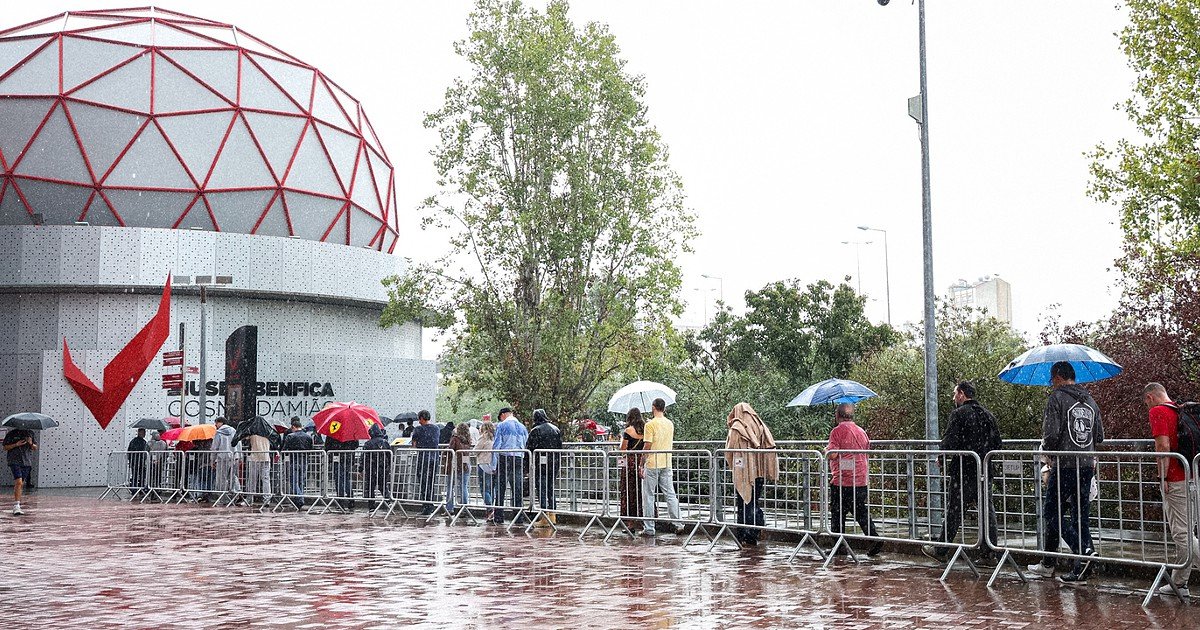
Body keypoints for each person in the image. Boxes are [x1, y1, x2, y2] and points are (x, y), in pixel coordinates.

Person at [1027, 361, 1104, 586]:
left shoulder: (1057, 398)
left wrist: (1048, 453)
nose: (1051, 383)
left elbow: (1050, 434)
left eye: (1052, 379)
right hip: (1086, 464)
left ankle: (1083, 550)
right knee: (1080, 516)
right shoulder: (1090, 400)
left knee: (1052, 511)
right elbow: (1098, 436)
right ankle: (1082, 570)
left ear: (1059, 376)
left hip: (1065, 463)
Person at [923, 381, 1003, 562]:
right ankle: (990, 554)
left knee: (954, 511)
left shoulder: (959, 414)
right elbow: (998, 444)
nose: (953, 398)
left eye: (954, 394)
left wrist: (942, 457)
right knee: (986, 513)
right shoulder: (988, 415)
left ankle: (941, 550)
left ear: (961, 394)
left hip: (963, 471)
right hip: (984, 470)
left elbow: (949, 440)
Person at [1143, 382, 1199, 597]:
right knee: (1188, 532)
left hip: (1176, 479)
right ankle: (1179, 584)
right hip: (1193, 476)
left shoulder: (1158, 411)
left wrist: (1162, 476)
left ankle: (1180, 583)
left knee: (1182, 535)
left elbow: (1163, 446)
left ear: (1150, 397)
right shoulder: (1180, 410)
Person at [826, 403, 883, 556]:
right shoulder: (861, 431)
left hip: (843, 480)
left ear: (838, 415)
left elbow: (832, 454)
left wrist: (826, 450)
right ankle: (874, 538)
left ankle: (840, 545)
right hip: (860, 479)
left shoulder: (837, 431)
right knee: (860, 511)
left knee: (838, 514)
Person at [724, 402, 778, 546]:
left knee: (743, 502)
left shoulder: (737, 427)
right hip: (758, 470)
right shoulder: (760, 425)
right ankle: (754, 530)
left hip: (743, 471)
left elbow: (729, 450)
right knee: (754, 500)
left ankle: (744, 533)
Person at [640, 398, 684, 536]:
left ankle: (649, 528)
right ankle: (678, 523)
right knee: (670, 494)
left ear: (653, 407)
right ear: (664, 408)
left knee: (648, 496)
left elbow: (647, 445)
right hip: (666, 462)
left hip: (652, 463)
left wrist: (641, 463)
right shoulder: (670, 424)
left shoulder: (650, 425)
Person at [491, 407, 529, 524]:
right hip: (518, 458)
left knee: (500, 488)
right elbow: (525, 443)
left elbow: (497, 445)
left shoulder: (502, 426)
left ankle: (498, 516)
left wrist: (493, 465)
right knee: (517, 489)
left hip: (504, 457)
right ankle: (518, 516)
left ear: (503, 415)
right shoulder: (522, 427)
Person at [527, 409, 563, 524]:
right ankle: (553, 515)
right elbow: (560, 446)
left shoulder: (536, 430)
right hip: (554, 463)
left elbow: (529, 448)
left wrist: (527, 466)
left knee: (541, 489)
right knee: (550, 488)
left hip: (540, 464)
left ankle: (544, 517)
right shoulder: (555, 429)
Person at [619, 408, 647, 529]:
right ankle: (644, 519)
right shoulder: (646, 429)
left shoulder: (628, 430)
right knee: (642, 491)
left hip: (630, 463)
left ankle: (630, 523)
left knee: (629, 491)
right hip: (642, 461)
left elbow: (623, 449)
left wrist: (621, 441)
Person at [410, 410, 441, 515]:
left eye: (419, 419)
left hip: (423, 458)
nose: (419, 421)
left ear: (422, 418)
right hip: (435, 458)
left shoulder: (418, 429)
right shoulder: (436, 428)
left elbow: (414, 444)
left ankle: (426, 505)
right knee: (431, 481)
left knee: (423, 482)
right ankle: (430, 503)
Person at [281, 418, 314, 508]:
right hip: (304, 460)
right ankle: (300, 499)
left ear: (293, 427)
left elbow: (284, 449)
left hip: (293, 460)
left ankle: (299, 498)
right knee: (301, 481)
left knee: (293, 481)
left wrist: (283, 457)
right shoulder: (308, 437)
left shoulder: (290, 436)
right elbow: (311, 448)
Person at [3, 427, 37, 515]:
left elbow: (35, 448)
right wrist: (16, 444)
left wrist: (31, 443)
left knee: (21, 483)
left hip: (26, 462)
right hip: (14, 461)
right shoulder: (11, 434)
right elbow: (5, 447)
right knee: (18, 482)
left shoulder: (30, 433)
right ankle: (16, 505)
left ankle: (17, 503)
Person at [324, 430, 359, 511]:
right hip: (348, 458)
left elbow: (327, 446)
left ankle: (341, 501)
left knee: (339, 480)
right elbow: (356, 444)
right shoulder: (351, 429)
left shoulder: (333, 429)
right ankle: (351, 499)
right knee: (346, 479)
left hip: (337, 458)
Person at [446, 423, 473, 514]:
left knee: (450, 487)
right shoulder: (468, 440)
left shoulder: (455, 439)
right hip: (465, 463)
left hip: (455, 465)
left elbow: (450, 451)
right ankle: (464, 509)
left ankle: (450, 508)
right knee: (463, 487)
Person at [362, 424, 391, 510]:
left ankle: (371, 506)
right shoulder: (385, 442)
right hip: (383, 468)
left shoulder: (368, 444)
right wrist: (388, 466)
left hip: (371, 468)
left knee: (371, 487)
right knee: (383, 486)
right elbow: (389, 455)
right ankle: (388, 501)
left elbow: (364, 457)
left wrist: (361, 468)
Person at [211, 418, 241, 497]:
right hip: (234, 457)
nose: (215, 425)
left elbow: (215, 447)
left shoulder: (219, 432)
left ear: (221, 423)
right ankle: (237, 493)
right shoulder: (234, 431)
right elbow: (239, 444)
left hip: (223, 457)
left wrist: (212, 460)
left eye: (216, 423)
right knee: (233, 476)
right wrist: (239, 456)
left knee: (222, 478)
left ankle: (222, 496)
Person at [474, 421, 497, 521]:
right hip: (493, 465)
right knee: (491, 488)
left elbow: (476, 450)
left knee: (484, 489)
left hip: (483, 464)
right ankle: (493, 508)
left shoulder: (484, 437)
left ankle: (490, 509)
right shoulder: (495, 437)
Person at [245, 431, 273, 505]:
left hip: (255, 458)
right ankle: (267, 499)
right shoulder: (268, 433)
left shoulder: (252, 433)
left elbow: (246, 439)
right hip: (266, 457)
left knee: (252, 479)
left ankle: (249, 499)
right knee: (266, 479)